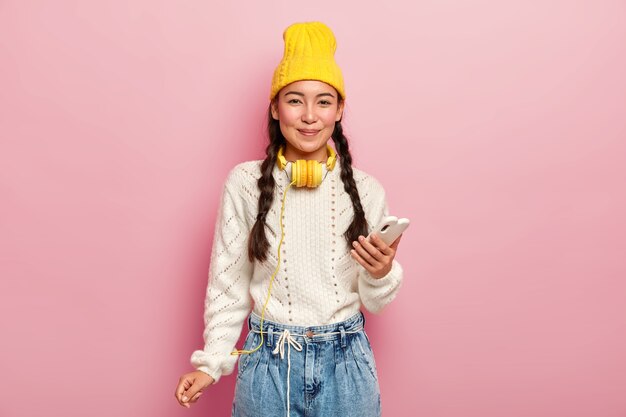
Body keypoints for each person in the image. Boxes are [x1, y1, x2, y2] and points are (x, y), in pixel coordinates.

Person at [174, 21, 405, 417]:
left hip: (346, 365)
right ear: (275, 108)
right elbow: (228, 282)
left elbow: (375, 302)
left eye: (324, 101)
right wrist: (211, 363)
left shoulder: (366, 190)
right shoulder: (245, 183)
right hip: (268, 363)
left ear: (340, 109)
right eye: (295, 100)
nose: (310, 116)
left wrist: (382, 272)